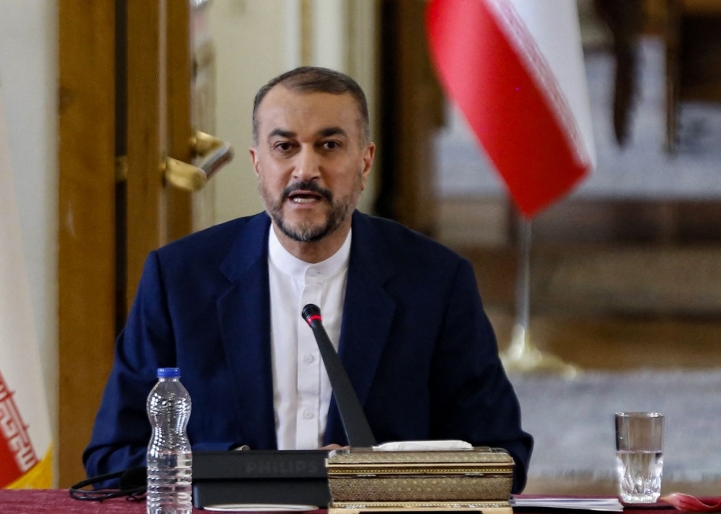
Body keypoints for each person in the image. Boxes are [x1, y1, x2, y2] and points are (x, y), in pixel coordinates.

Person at [84, 67, 533, 491]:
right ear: (258, 162)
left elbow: (502, 458)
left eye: (330, 146)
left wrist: (372, 475)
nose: (305, 170)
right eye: (285, 147)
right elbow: (112, 457)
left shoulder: (435, 281)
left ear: (365, 160)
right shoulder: (179, 279)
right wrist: (239, 470)